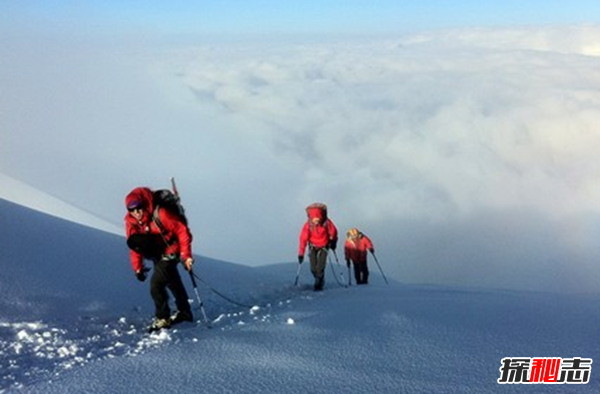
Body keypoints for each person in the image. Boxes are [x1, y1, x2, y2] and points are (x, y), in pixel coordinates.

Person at [124, 187, 194, 331]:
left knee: (156, 285)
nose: (136, 212)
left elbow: (182, 231)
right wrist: (137, 268)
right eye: (132, 209)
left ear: (144, 204)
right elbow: (134, 246)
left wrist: (186, 256)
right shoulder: (132, 222)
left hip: (171, 250)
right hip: (157, 253)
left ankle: (162, 318)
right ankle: (185, 312)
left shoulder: (161, 213)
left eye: (139, 207)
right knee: (172, 281)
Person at [298, 203, 338, 291]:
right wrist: (301, 254)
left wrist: (333, 242)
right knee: (313, 268)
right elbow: (303, 239)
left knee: (320, 267)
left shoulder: (326, 222)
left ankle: (318, 284)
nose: (316, 221)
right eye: (314, 219)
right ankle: (319, 278)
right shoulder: (308, 225)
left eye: (318, 219)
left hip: (324, 246)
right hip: (313, 246)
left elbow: (334, 232)